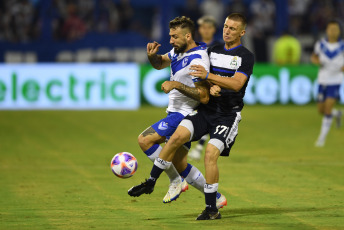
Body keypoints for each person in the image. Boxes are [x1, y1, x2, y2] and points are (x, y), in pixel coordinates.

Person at [128, 13, 254, 220]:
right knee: (179, 156)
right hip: (205, 112)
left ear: (242, 32)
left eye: (232, 28)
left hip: (226, 115)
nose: (226, 31)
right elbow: (164, 64)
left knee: (207, 154)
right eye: (225, 26)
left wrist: (206, 80)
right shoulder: (211, 51)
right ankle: (160, 182)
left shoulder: (244, 56)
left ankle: (208, 206)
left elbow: (236, 84)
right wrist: (152, 56)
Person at [132, 16, 227, 208]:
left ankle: (175, 181)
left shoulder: (197, 59)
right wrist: (152, 56)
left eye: (174, 36)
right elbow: (160, 63)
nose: (171, 40)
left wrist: (176, 84)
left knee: (145, 139)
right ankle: (217, 198)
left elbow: (203, 96)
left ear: (188, 36)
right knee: (180, 163)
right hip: (174, 113)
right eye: (170, 36)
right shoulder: (178, 51)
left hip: (184, 114)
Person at [188, 15, 223, 161]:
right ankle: (192, 146)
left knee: (206, 115)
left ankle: (200, 147)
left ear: (214, 29)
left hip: (212, 86)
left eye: (209, 27)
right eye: (203, 27)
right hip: (195, 85)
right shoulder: (194, 46)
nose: (206, 30)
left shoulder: (220, 47)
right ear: (199, 29)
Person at [311, 20, 343, 147]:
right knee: (321, 110)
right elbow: (314, 56)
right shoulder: (320, 45)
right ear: (327, 31)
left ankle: (321, 139)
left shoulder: (342, 46)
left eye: (335, 29)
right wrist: (316, 61)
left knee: (328, 107)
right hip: (322, 80)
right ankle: (337, 113)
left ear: (339, 31)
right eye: (331, 29)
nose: (333, 31)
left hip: (336, 80)